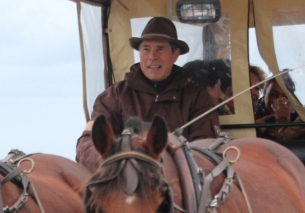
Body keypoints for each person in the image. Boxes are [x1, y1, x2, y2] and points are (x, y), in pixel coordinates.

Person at [76, 17, 220, 172]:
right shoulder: (114, 96)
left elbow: (206, 150)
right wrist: (118, 159)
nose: (152, 56)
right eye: (146, 49)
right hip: (122, 184)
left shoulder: (197, 98)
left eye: (160, 49)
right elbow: (86, 145)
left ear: (176, 54)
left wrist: (165, 163)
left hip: (176, 187)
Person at [255, 75, 305, 141]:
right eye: (274, 94)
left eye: (285, 95)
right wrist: (256, 130)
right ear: (263, 97)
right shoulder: (252, 116)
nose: (280, 99)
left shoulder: (299, 120)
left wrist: (283, 118)